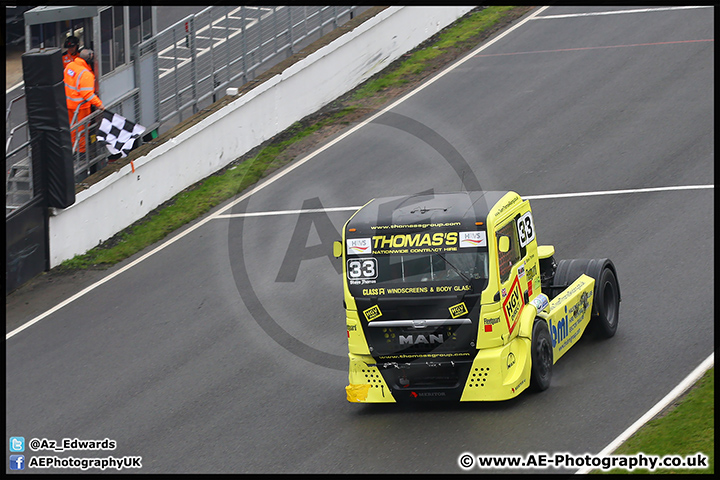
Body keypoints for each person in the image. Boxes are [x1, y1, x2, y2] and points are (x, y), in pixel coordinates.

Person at [64, 48, 104, 154]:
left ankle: (72, 148)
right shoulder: (86, 74)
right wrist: (100, 105)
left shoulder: (70, 66)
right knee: (81, 129)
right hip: (80, 107)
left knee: (72, 128)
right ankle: (80, 152)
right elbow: (87, 94)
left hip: (68, 104)